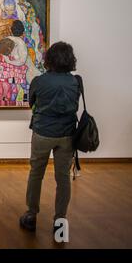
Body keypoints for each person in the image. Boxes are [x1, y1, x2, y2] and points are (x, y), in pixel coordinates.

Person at [20, 41, 80, 234]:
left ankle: (31, 215)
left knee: (36, 173)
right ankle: (60, 222)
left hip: (43, 132)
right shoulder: (75, 81)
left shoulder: (39, 81)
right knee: (63, 178)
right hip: (67, 135)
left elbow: (32, 103)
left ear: (49, 59)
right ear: (70, 60)